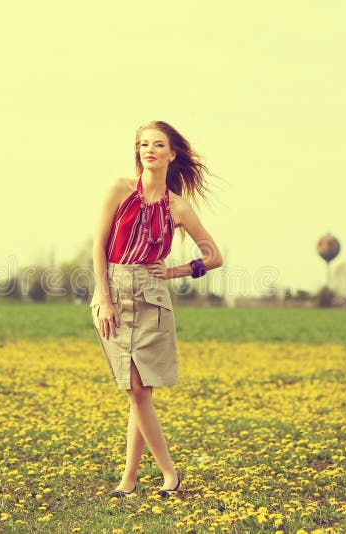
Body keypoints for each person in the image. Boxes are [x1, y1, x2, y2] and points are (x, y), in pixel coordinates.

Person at [90, 120, 223, 499]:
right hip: (113, 290)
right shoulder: (119, 190)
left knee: (139, 391)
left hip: (152, 298)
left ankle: (139, 479)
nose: (149, 150)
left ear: (171, 154)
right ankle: (163, 474)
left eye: (157, 144)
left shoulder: (178, 207)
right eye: (143, 144)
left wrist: (177, 271)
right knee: (136, 391)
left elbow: (214, 256)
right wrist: (103, 298)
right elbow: (98, 246)